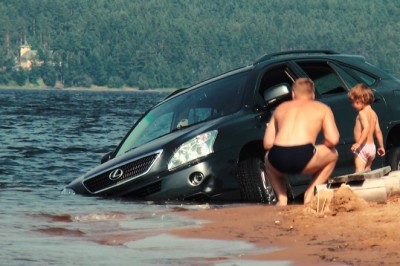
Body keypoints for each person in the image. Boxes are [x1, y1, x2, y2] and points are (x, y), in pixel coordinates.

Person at [263, 78, 339, 205]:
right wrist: (320, 147)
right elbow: (333, 139)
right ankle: (309, 194)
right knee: (333, 154)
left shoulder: (280, 108)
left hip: (278, 158)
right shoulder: (322, 108)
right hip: (305, 155)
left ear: (293, 94)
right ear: (313, 94)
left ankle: (282, 198)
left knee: (267, 157)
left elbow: (267, 144)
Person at [348, 83, 385, 172]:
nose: (353, 105)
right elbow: (378, 131)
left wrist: (358, 144)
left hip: (362, 147)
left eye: (355, 102)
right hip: (372, 147)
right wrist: (381, 146)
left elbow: (366, 128)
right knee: (367, 171)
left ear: (363, 99)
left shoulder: (362, 113)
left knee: (359, 173)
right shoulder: (374, 113)